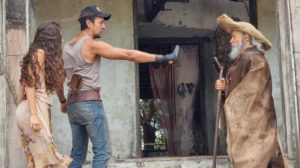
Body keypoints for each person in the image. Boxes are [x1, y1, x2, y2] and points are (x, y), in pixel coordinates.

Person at [55, 5, 179, 168]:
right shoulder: (91, 44)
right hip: (90, 104)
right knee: (102, 152)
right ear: (89, 23)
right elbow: (129, 55)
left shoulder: (67, 47)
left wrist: (63, 101)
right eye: (100, 22)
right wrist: (163, 58)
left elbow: (58, 79)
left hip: (73, 105)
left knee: (77, 155)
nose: (104, 26)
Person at [214, 14, 287, 168]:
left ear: (246, 38)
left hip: (257, 130)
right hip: (245, 131)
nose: (230, 41)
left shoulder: (257, 60)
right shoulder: (238, 62)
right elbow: (233, 90)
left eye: (234, 37)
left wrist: (227, 88)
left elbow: (251, 92)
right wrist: (223, 88)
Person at [15, 21, 72, 168]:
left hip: (37, 108)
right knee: (46, 160)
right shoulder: (38, 54)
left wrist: (63, 101)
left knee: (37, 161)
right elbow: (28, 83)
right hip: (34, 110)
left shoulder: (48, 57)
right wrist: (33, 114)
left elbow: (57, 85)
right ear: (52, 38)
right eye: (59, 36)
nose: (62, 39)